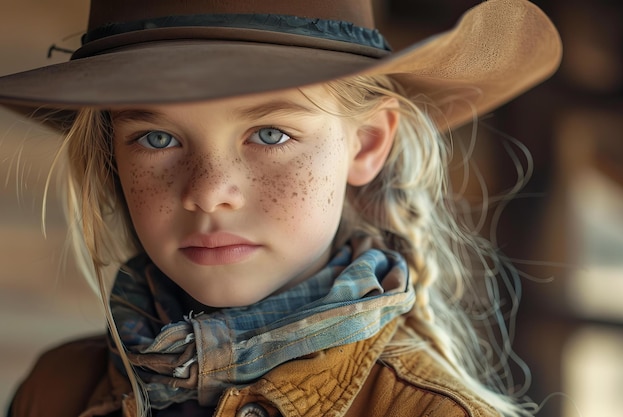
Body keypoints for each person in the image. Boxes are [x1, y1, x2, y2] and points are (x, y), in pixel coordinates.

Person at [0, 0, 562, 416]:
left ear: (365, 143)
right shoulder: (56, 390)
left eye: (270, 134)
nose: (208, 191)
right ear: (112, 157)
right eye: (156, 139)